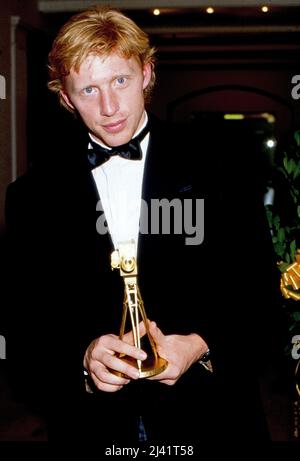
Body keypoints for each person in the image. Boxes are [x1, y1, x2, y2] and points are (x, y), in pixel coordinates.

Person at [4, 6, 283, 446]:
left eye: (120, 80)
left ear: (147, 73)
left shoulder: (222, 166)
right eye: (89, 89)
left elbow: (261, 301)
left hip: (214, 421)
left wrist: (200, 345)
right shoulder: (31, 196)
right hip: (91, 429)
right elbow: (24, 331)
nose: (109, 106)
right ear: (65, 98)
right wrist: (82, 359)